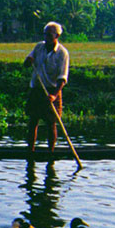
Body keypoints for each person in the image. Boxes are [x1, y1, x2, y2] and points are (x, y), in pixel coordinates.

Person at [22, 21, 70, 152]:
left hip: (52, 90)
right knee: (33, 121)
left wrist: (54, 95)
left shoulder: (62, 53)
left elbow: (62, 78)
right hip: (37, 89)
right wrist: (28, 61)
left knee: (51, 123)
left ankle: (51, 152)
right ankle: (30, 151)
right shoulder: (39, 47)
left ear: (57, 36)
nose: (46, 38)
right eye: (45, 34)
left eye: (49, 35)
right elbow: (27, 63)